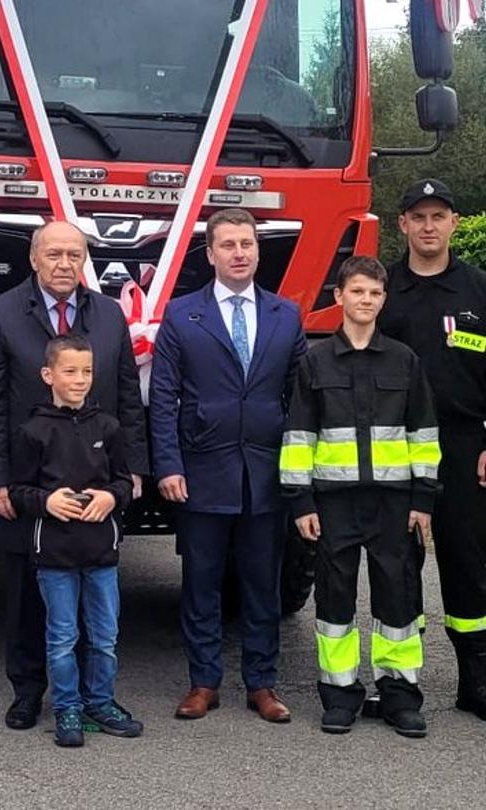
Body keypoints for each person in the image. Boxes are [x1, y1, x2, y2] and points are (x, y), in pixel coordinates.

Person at [0, 220, 149, 730]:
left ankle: (93, 699)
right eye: (54, 254)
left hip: (95, 481)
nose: (65, 264)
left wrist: (134, 467)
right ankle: (28, 691)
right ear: (34, 259)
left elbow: (127, 399)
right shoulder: (0, 315)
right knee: (29, 592)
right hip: (30, 484)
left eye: (74, 254)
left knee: (95, 601)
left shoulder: (110, 315)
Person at [148, 208, 305, 723]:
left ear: (259, 251)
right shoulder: (181, 314)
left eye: (247, 244)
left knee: (263, 586)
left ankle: (262, 684)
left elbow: (298, 398)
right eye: (228, 245)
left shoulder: (286, 314)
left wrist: (298, 469)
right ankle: (203, 681)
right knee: (202, 583)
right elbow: (165, 395)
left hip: (265, 474)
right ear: (210, 253)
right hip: (200, 473)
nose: (239, 253)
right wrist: (168, 465)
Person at [279, 256, 441, 738]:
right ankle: (340, 693)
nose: (365, 300)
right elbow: (299, 436)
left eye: (374, 293)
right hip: (334, 503)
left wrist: (424, 499)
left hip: (395, 503)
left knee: (398, 599)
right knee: (335, 600)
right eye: (357, 292)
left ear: (382, 300)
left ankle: (399, 695)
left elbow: (424, 434)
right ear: (339, 297)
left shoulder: (404, 360)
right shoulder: (315, 361)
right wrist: (301, 502)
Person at [377, 179, 486, 725]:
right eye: (419, 216)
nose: (429, 225)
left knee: (466, 563)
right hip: (395, 448)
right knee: (398, 564)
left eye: (439, 216)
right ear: (404, 225)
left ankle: (475, 681)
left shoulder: (480, 291)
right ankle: (398, 680)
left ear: (455, 223)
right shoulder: (383, 288)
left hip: (463, 448)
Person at [7, 334, 143, 748]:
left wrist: (111, 497)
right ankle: (67, 706)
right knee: (62, 636)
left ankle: (99, 702)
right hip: (55, 557)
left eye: (87, 371)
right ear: (48, 375)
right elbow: (18, 490)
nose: (80, 380)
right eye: (70, 371)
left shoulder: (109, 427)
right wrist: (47, 501)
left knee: (104, 635)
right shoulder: (33, 431)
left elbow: (125, 481)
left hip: (101, 553)